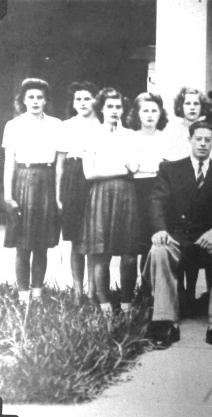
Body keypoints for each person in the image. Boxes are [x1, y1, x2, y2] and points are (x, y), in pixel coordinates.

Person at [143, 121, 212, 350]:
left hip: (211, 236)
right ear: (190, 140)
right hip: (178, 235)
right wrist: (160, 229)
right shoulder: (170, 169)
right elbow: (157, 201)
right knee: (159, 250)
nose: (203, 144)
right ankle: (167, 322)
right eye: (198, 139)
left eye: (208, 140)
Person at [80, 87, 140, 315]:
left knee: (129, 254)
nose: (115, 111)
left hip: (126, 195)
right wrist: (120, 170)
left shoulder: (130, 135)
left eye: (118, 107)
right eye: (110, 107)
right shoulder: (91, 134)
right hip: (101, 195)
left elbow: (134, 166)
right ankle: (105, 305)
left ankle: (127, 303)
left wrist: (120, 137)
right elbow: (89, 173)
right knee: (101, 253)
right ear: (101, 109)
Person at [3, 78, 62, 304]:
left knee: (41, 243)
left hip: (46, 181)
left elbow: (59, 165)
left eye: (40, 97)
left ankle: (37, 293)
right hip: (23, 180)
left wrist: (58, 196)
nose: (35, 101)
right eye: (31, 97)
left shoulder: (56, 125)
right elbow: (9, 163)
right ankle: (22, 295)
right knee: (22, 243)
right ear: (23, 100)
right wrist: (8, 195)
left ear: (46, 100)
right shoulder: (13, 125)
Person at [57, 81, 100, 302]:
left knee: (92, 238)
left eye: (87, 98)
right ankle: (77, 291)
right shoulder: (66, 126)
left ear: (95, 101)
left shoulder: (102, 125)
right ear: (73, 103)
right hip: (73, 179)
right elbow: (60, 164)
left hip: (95, 179)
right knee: (75, 238)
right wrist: (59, 195)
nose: (83, 103)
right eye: (78, 99)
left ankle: (92, 291)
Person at [126, 92, 169, 289]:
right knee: (138, 241)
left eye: (154, 111)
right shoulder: (131, 137)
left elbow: (168, 168)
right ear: (137, 114)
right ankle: (134, 293)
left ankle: (150, 290)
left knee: (155, 240)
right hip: (136, 189)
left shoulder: (166, 139)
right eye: (145, 111)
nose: (150, 115)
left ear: (161, 114)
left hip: (159, 189)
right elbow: (132, 167)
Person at [164, 87, 208, 161]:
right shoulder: (173, 133)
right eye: (188, 103)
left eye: (196, 104)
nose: (192, 107)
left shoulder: (208, 131)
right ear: (181, 106)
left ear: (202, 107)